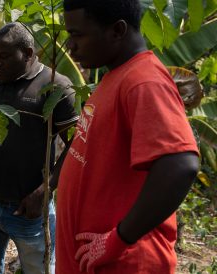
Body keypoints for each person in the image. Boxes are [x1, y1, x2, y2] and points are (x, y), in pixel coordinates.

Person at [57, 0, 200, 273]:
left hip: (126, 264)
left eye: (77, 35)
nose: (70, 46)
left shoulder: (144, 82)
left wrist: (119, 238)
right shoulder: (118, 77)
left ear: (117, 30)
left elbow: (180, 164)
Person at [0, 22, 79, 274]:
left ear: (27, 54)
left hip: (30, 211)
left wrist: (44, 191)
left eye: (3, 57)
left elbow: (76, 147)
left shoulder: (56, 87)